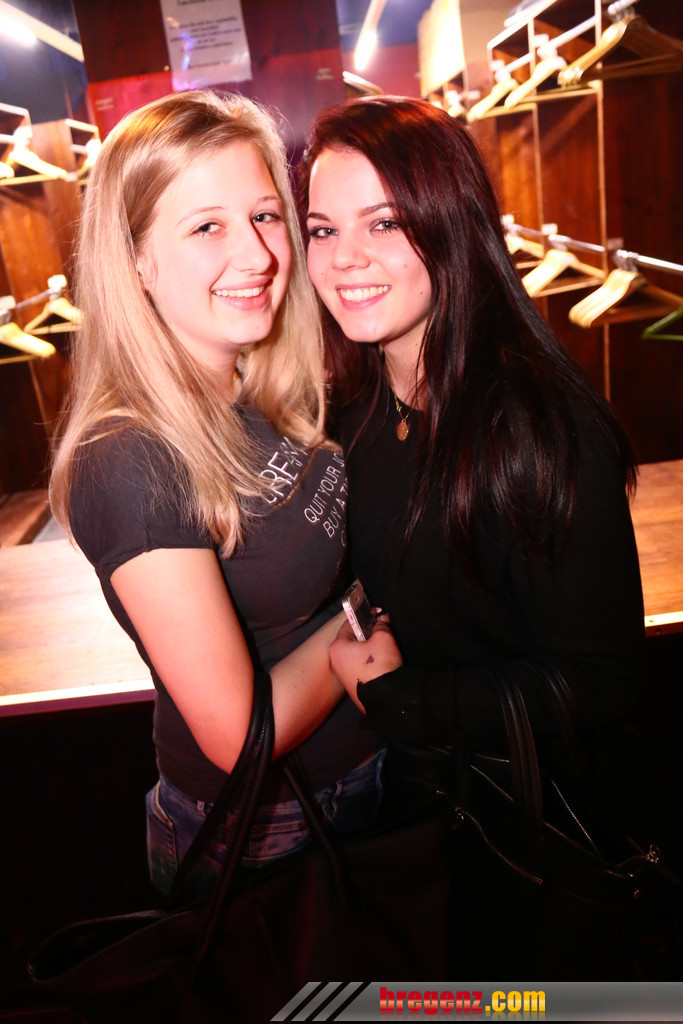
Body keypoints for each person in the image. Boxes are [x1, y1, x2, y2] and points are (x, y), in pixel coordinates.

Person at [299, 95, 646, 974]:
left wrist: (400, 695)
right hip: (417, 832)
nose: (344, 259)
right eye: (322, 229)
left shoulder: (534, 427)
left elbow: (600, 682)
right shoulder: (351, 407)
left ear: (450, 223)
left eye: (384, 222)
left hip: (524, 849)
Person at [49, 90, 384, 901]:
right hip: (266, 827)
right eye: (207, 227)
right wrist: (366, 621)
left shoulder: (256, 386)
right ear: (136, 260)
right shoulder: (128, 456)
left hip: (359, 771)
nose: (258, 254)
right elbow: (239, 736)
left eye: (265, 217)